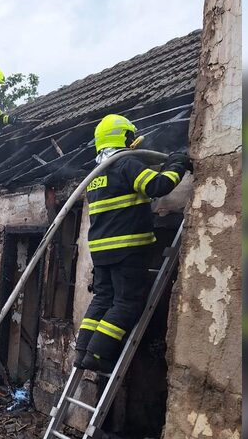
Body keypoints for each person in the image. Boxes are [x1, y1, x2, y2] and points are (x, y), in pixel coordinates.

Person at [75, 114, 192, 373]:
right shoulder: (127, 164)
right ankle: (97, 355)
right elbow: (158, 186)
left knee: (103, 299)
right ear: (124, 137)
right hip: (128, 248)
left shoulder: (95, 176)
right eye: (130, 136)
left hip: (101, 251)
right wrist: (177, 164)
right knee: (127, 303)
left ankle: (82, 351)